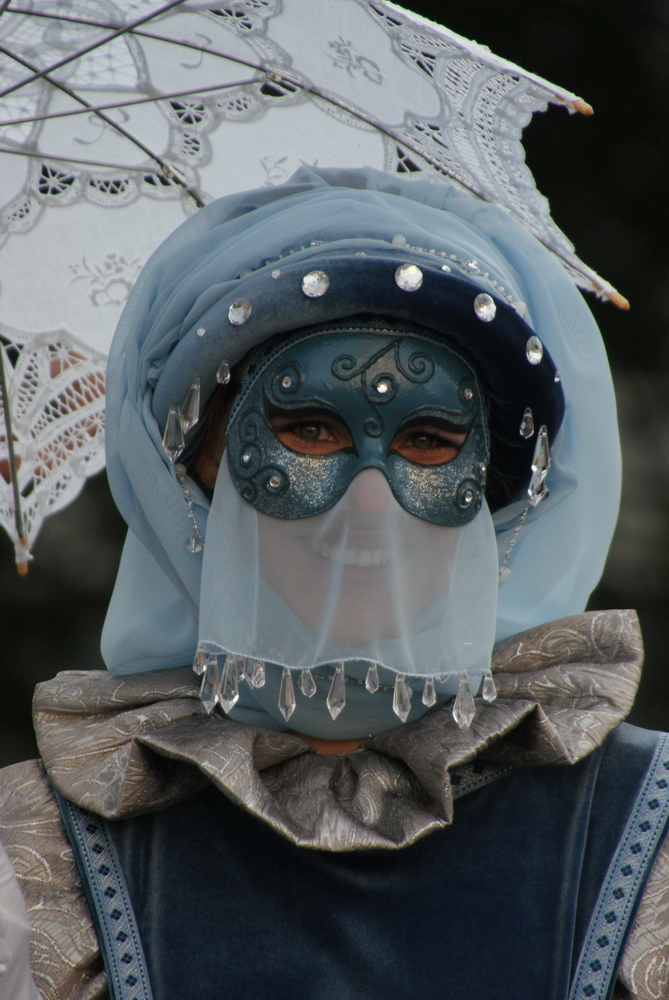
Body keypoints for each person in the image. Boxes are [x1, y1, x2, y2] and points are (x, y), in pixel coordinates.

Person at [1, 164, 668, 1000]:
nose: (366, 509)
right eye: (308, 428)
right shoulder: (38, 863)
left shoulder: (646, 839)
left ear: (490, 494)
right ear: (192, 475)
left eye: (428, 439)